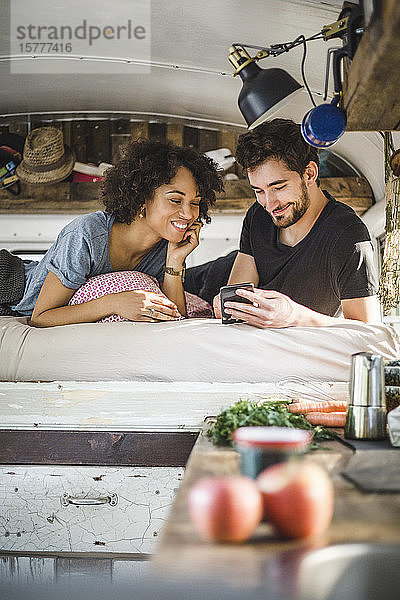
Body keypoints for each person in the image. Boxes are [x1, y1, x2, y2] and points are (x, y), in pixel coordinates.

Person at [6, 139, 223, 327]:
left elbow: (175, 318)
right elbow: (41, 317)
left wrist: (174, 261)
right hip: (10, 282)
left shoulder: (165, 247)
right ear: (141, 199)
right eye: (175, 200)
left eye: (195, 203)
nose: (188, 214)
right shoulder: (87, 234)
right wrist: (115, 302)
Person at [213, 118, 381, 328]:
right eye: (258, 191)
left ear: (309, 174)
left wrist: (295, 317)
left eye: (278, 187)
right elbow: (238, 295)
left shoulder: (348, 236)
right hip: (210, 278)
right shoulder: (257, 215)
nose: (268, 203)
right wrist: (225, 305)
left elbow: (367, 331)